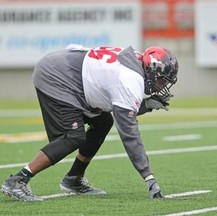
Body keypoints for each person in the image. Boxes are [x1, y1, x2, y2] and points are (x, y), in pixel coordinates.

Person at [0, 44, 179, 201]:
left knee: (102, 123)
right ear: (151, 70)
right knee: (71, 137)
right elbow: (129, 133)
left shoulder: (136, 61)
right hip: (58, 77)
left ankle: (74, 178)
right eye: (161, 79)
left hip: (69, 72)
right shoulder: (131, 79)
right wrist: (148, 177)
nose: (161, 85)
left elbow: (117, 104)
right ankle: (18, 180)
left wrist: (145, 105)